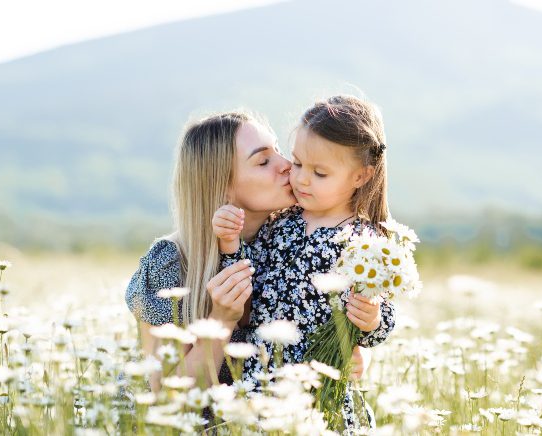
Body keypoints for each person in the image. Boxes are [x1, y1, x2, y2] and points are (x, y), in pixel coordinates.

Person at [125, 110, 371, 390]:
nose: (287, 165)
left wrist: (356, 349)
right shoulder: (170, 262)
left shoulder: (295, 238)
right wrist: (222, 319)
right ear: (222, 185)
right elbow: (163, 392)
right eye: (264, 161)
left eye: (279, 151)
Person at [213, 95, 395, 433]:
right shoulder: (282, 221)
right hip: (262, 377)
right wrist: (230, 243)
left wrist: (372, 319)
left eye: (320, 173)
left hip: (320, 386)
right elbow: (248, 282)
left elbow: (380, 319)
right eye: (297, 164)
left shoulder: (364, 242)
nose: (302, 179)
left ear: (360, 176)